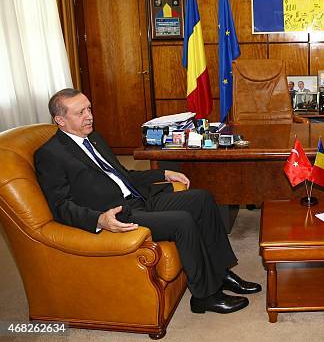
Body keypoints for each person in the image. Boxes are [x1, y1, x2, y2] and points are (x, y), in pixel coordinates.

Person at [35, 89, 261, 314]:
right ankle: (205, 296)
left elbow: (122, 174)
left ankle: (220, 274)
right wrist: (99, 220)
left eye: (89, 108)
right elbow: (60, 206)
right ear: (60, 120)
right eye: (80, 112)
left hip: (139, 198)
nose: (89, 116)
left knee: (202, 198)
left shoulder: (94, 138)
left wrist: (161, 175)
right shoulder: (50, 154)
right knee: (182, 221)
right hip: (118, 213)